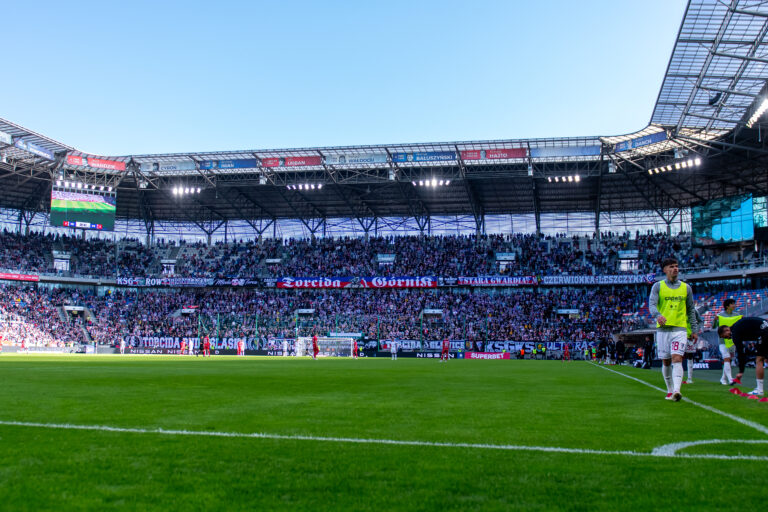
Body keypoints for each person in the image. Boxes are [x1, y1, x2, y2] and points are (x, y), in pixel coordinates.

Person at [648, 257, 698, 402]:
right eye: (671, 266)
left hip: (679, 329)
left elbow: (691, 310)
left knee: (677, 358)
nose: (675, 269)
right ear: (665, 270)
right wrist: (657, 315)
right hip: (663, 330)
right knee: (666, 361)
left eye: (676, 266)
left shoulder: (686, 288)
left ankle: (677, 390)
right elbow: (652, 304)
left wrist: (694, 329)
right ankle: (670, 390)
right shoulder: (658, 286)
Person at [718, 317, 768, 397]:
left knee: (759, 359)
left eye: (725, 336)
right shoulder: (738, 326)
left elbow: (741, 352)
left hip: (764, 333)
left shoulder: (735, 332)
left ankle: (759, 390)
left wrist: (741, 371)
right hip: (765, 329)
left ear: (727, 330)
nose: (727, 338)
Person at [711, 298, 743, 385]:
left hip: (732, 341)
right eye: (732, 304)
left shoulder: (737, 315)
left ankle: (723, 379)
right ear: (727, 306)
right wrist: (715, 320)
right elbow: (713, 327)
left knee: (729, 359)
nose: (734, 305)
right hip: (722, 341)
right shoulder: (720, 315)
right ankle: (730, 379)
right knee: (726, 357)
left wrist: (742, 319)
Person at [683, 306, 703, 384]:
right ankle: (677, 378)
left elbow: (700, 321)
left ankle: (689, 378)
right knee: (677, 357)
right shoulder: (677, 308)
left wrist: (695, 331)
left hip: (689, 337)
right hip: (678, 336)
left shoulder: (693, 311)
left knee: (690, 356)